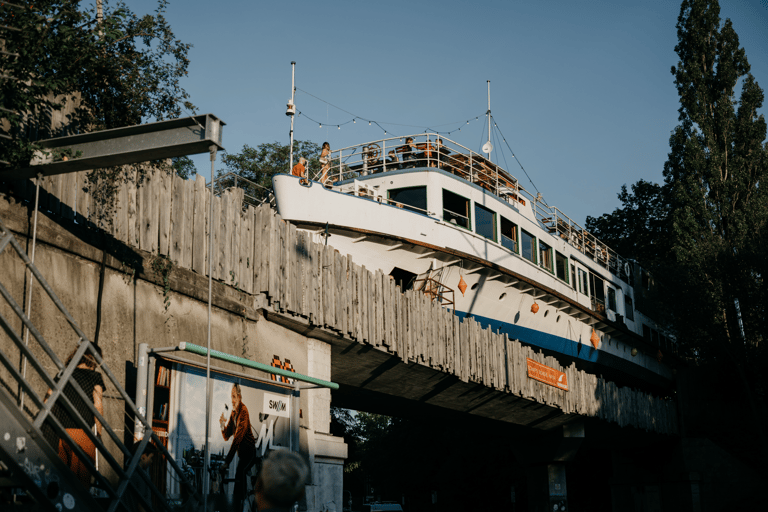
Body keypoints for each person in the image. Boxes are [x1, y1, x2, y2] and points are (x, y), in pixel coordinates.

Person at [51, 345, 105, 489]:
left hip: (61, 434)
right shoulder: (95, 377)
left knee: (61, 482)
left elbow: (49, 397)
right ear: (95, 359)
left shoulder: (63, 374)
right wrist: (98, 434)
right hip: (82, 435)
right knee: (80, 485)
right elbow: (98, 406)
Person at [220, 383, 257, 510]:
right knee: (238, 476)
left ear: (240, 397)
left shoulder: (243, 412)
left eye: (234, 396)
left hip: (250, 453)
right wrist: (221, 425)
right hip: (242, 455)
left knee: (240, 473)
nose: (232, 400)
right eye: (231, 396)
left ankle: (240, 506)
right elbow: (226, 436)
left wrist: (227, 462)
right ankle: (238, 503)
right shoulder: (233, 413)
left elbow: (237, 439)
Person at [123, 442, 159, 512]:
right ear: (143, 457)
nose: (151, 461)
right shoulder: (142, 477)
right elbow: (142, 506)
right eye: (151, 458)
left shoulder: (127, 474)